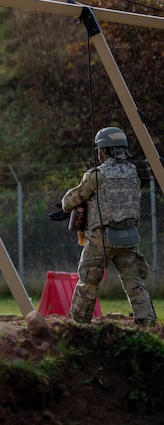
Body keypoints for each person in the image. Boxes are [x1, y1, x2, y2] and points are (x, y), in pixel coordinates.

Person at [61, 126, 157, 327]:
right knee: (135, 282)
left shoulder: (97, 174)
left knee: (88, 282)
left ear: (104, 150)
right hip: (129, 236)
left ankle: (79, 327)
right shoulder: (133, 172)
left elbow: (70, 200)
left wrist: (67, 205)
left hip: (101, 239)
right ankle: (148, 326)